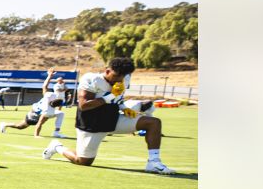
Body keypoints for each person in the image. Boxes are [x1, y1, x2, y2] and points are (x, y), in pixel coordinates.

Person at [43, 56, 174, 174]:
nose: (118, 80)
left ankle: (153, 162)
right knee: (83, 161)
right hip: (92, 124)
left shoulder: (124, 78)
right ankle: (56, 146)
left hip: (113, 119)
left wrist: (123, 107)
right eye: (116, 76)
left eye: (122, 77)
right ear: (107, 71)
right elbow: (84, 105)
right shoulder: (91, 79)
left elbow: (118, 98)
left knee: (153, 122)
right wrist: (111, 96)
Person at [0, 70, 66, 137]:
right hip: (33, 115)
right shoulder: (48, 110)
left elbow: (45, 86)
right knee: (20, 126)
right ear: (56, 106)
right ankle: (5, 124)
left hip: (38, 110)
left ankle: (56, 132)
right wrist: (36, 135)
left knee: (60, 113)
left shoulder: (49, 96)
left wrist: (49, 76)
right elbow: (39, 123)